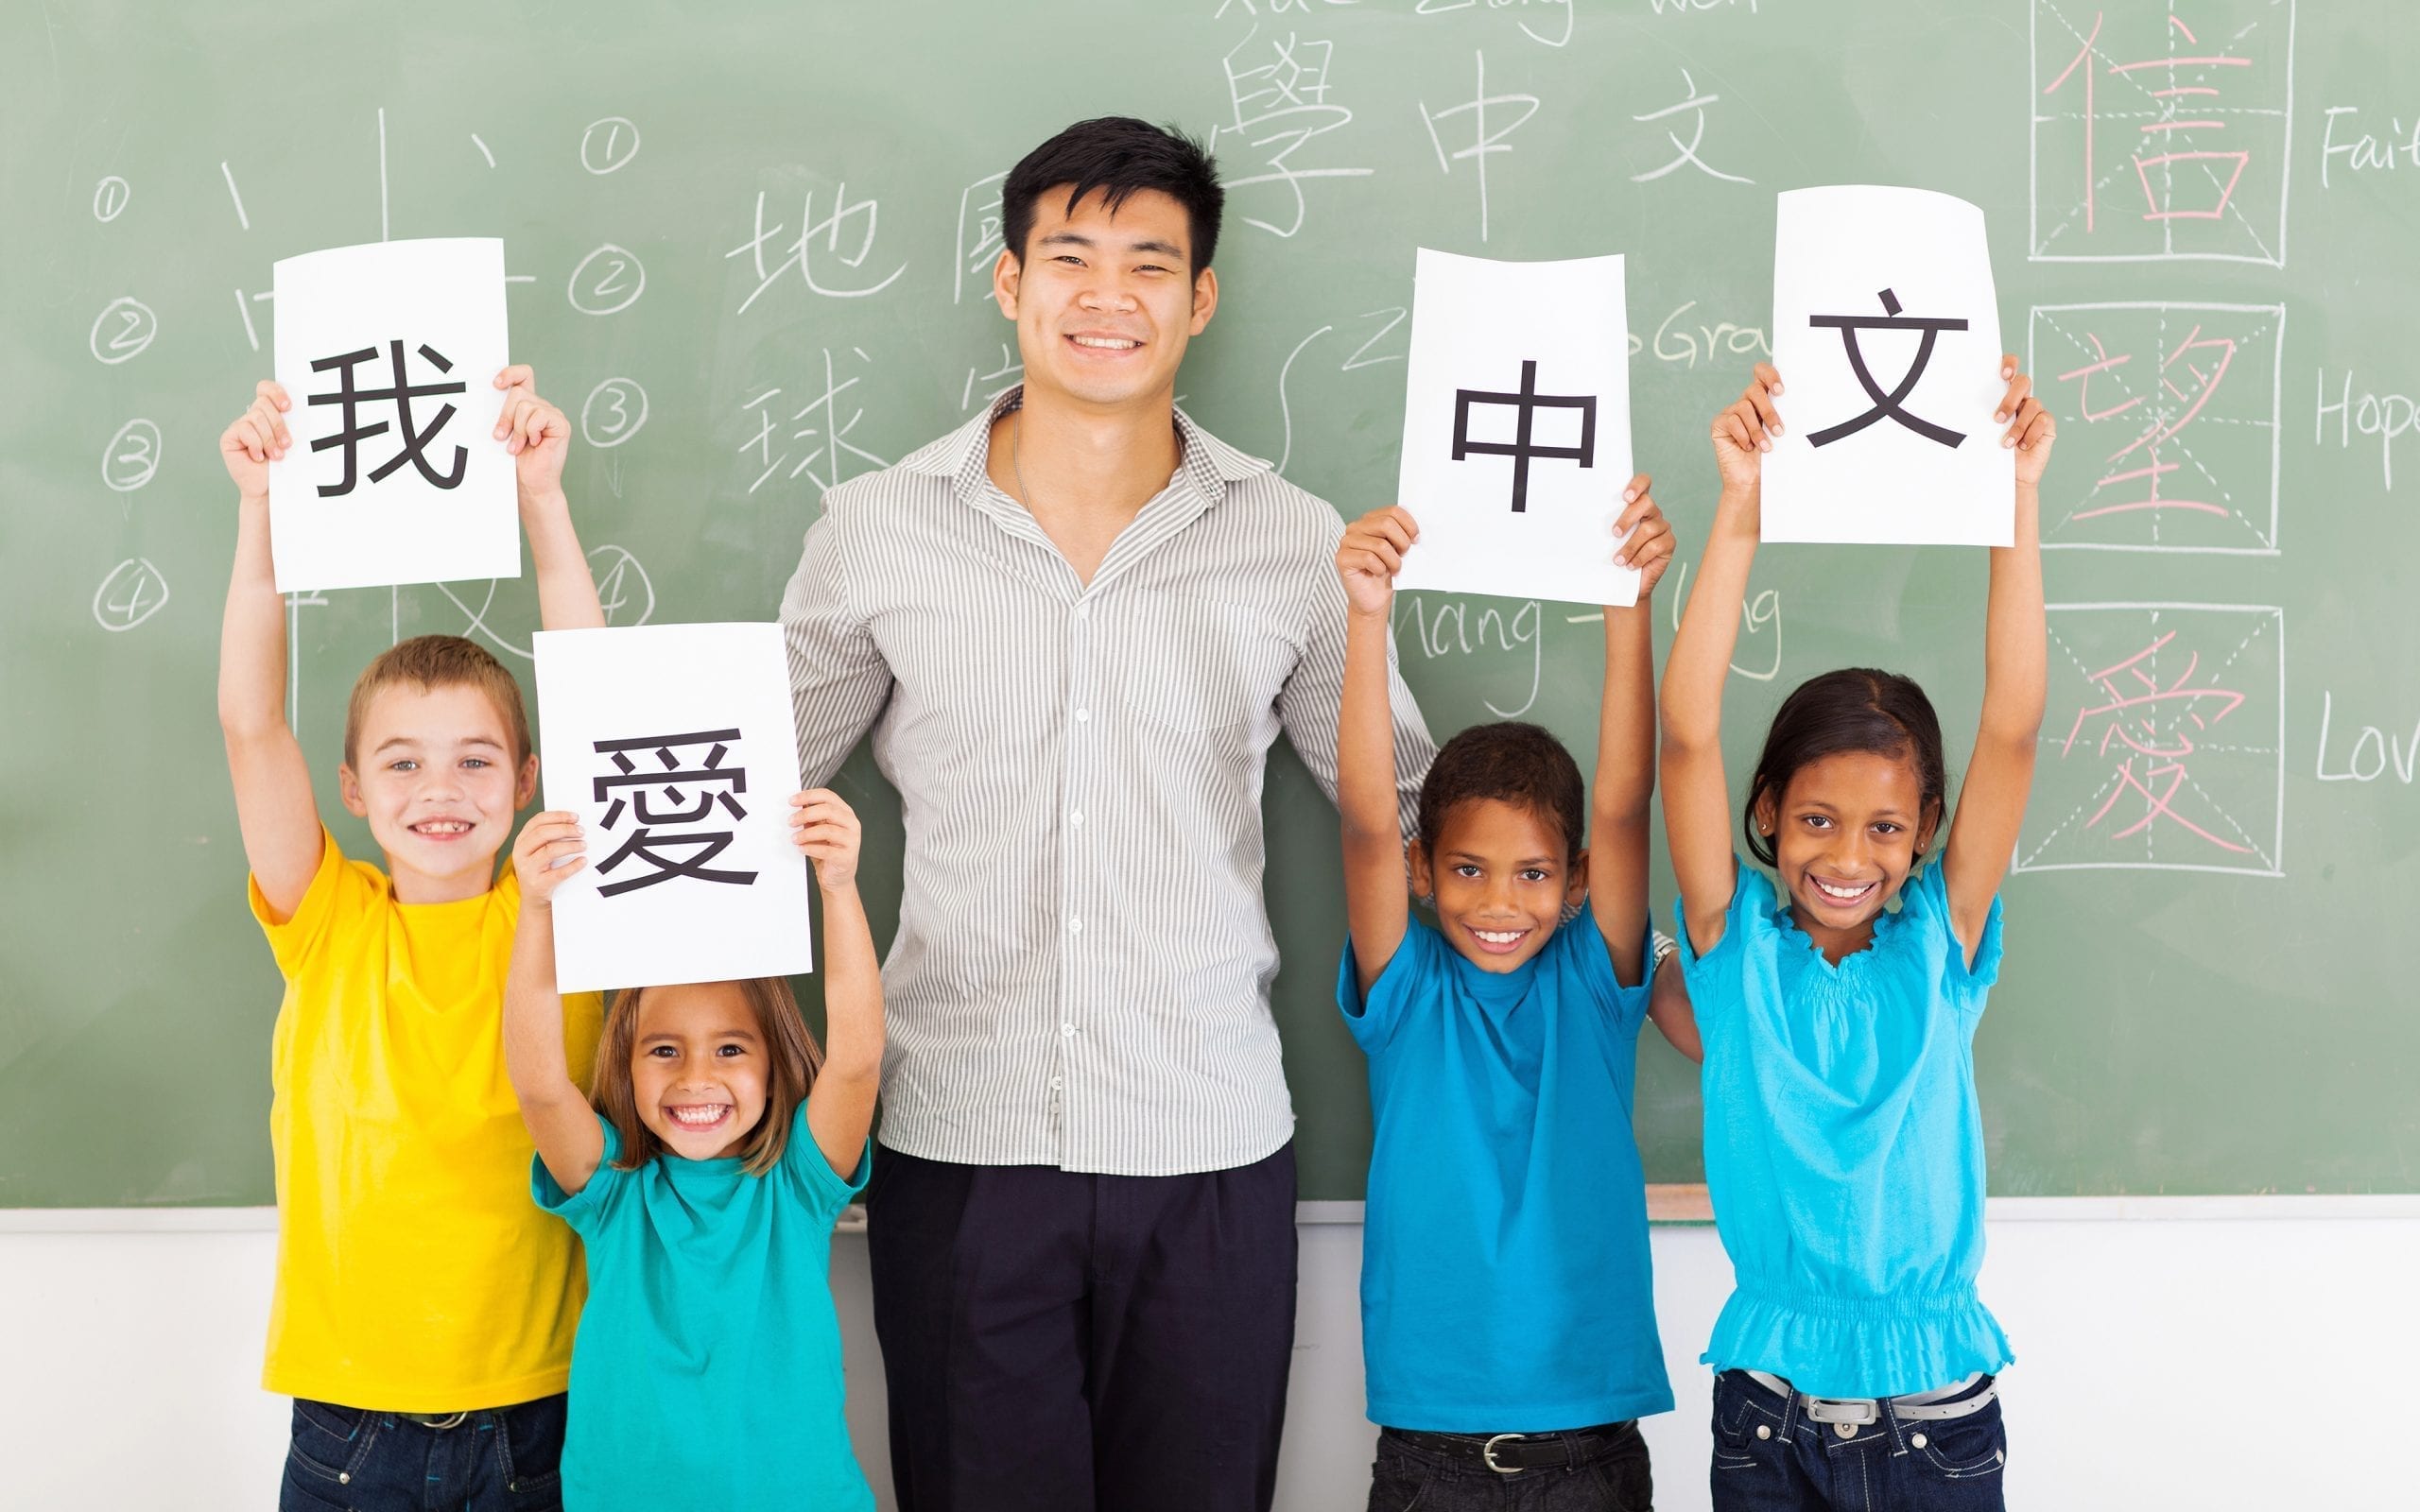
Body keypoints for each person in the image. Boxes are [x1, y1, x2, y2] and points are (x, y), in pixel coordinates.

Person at [778, 116, 1436, 1512]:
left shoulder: (1290, 539)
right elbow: (734, 776)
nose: (1105, 296)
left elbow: (1410, 823)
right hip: (960, 1138)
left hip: (1207, 1135)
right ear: (1010, 282)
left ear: (1199, 301)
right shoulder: (877, 530)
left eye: (1149, 264)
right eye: (1068, 257)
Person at [1659, 359, 2053, 1509]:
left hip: (1935, 1412)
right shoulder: (1732, 951)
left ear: (1926, 828)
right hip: (1767, 1411)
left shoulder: (1942, 941)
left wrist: (2014, 500)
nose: (1847, 856)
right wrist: (1738, 504)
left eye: (1885, 827)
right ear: (1769, 811)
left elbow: (2014, 728)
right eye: (1817, 819)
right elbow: (1685, 738)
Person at [217, 371, 604, 1509]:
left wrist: (544, 499)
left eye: (477, 759)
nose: (442, 788)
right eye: (403, 761)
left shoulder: (554, 907)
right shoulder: (327, 918)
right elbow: (250, 723)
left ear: (528, 780)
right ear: (352, 788)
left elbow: (598, 708)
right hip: (349, 1422)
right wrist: (258, 513)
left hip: (542, 1410)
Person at [1331, 486, 1697, 1512]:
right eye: (1468, 871)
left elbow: (1626, 805)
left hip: (1590, 1444)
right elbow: (1363, 822)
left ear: (1577, 881)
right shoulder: (1405, 991)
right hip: (1429, 1451)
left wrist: (1630, 604)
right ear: (1422, 870)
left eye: (1533, 874)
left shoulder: (1594, 978)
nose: (1499, 902)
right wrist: (1367, 617)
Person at [502, 790, 882, 1509]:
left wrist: (838, 888)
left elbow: (858, 1063)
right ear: (629, 1064)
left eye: (731, 1048)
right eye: (665, 1050)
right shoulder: (614, 1190)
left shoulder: (796, 1184)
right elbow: (542, 1088)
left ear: (774, 1064)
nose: (697, 1078)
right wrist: (536, 911)